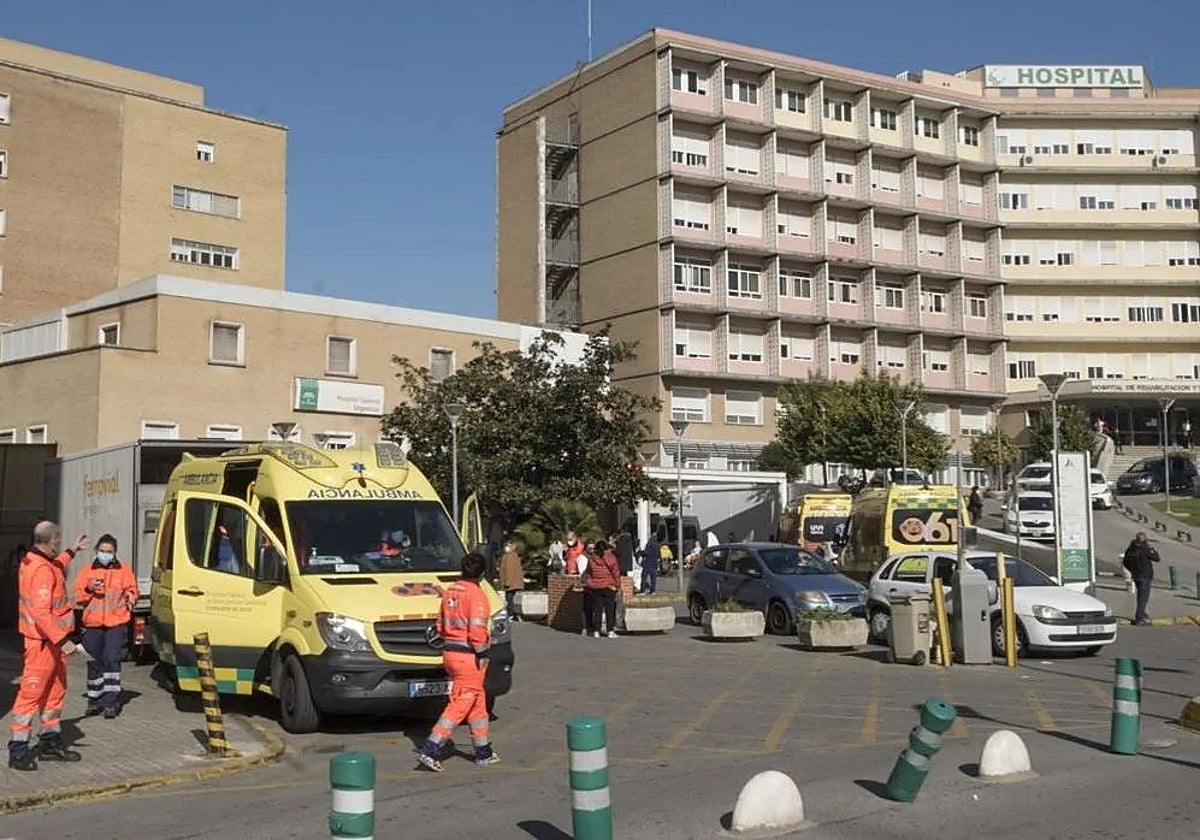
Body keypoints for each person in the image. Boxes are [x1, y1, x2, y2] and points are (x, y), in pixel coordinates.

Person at [8, 521, 87, 771]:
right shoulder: (41, 569)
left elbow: (56, 567)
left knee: (55, 692)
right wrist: (62, 640)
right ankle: (18, 751)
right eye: (58, 541)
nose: (59, 544)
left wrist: (72, 552)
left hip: (47, 643)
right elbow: (42, 613)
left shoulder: (36, 560)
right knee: (31, 696)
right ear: (48, 541)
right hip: (43, 644)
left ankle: (49, 742)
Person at [415, 552, 500, 772]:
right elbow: (477, 631)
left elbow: (440, 625)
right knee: (461, 704)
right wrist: (482, 653)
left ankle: (483, 752)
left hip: (450, 652)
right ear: (482, 573)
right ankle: (431, 748)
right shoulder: (477, 595)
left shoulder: (450, 590)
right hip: (468, 656)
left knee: (476, 700)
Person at [74, 534, 139, 719]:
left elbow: (132, 589)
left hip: (116, 623)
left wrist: (132, 596)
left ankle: (111, 702)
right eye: (102, 551)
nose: (105, 554)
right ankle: (94, 700)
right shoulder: (87, 571)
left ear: (115, 553)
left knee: (112, 659)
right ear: (96, 551)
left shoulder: (124, 570)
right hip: (93, 624)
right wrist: (89, 589)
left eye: (109, 552)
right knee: (94, 662)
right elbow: (79, 597)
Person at [583, 540, 622, 639]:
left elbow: (588, 572)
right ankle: (610, 631)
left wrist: (590, 583)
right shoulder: (611, 558)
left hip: (596, 587)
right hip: (609, 586)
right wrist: (618, 586)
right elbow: (616, 573)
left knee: (597, 610)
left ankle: (596, 631)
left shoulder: (592, 558)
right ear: (606, 548)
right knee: (610, 610)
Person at [1123, 532, 1161, 625]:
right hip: (1145, 575)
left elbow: (1125, 562)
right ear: (1144, 540)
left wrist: (1132, 570)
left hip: (1136, 575)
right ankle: (1139, 618)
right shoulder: (1145, 549)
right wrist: (1152, 549)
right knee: (1143, 597)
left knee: (1140, 596)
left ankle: (1142, 613)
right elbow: (1157, 558)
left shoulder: (1131, 549)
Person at [497, 542, 524, 620]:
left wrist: (507, 582)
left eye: (507, 546)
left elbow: (509, 570)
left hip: (510, 583)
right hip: (514, 582)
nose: (506, 548)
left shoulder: (509, 556)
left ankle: (511, 614)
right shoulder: (514, 556)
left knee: (509, 599)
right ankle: (513, 614)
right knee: (510, 599)